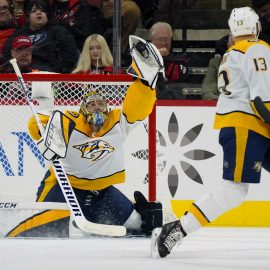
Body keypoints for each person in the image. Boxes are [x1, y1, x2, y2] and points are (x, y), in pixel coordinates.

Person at [152, 6, 270, 258]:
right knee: (235, 189)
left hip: (248, 126)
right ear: (256, 27)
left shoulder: (231, 53)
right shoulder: (257, 49)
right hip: (249, 127)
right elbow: (262, 99)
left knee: (235, 189)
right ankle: (178, 229)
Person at [25, 35, 165, 237]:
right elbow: (37, 124)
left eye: (101, 104)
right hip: (65, 187)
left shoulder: (116, 122)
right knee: (42, 232)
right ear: (82, 109)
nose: (97, 107)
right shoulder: (71, 120)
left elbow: (137, 109)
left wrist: (146, 83)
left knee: (139, 224)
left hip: (102, 193)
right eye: (91, 104)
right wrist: (45, 132)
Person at [3, 0, 78, 73]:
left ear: (47, 15)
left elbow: (70, 56)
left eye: (42, 11)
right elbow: (7, 55)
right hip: (23, 74)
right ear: (28, 17)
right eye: (34, 11)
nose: (39, 13)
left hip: (51, 75)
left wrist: (56, 72)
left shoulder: (59, 31)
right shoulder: (19, 33)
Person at [201, 34, 234, 100]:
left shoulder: (254, 63)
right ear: (228, 45)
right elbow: (207, 93)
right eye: (234, 43)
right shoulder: (216, 63)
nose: (238, 47)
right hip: (224, 106)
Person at [0, 0, 16, 71]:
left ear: (10, 11)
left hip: (11, 74)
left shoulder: (20, 32)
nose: (2, 11)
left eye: (5, 8)